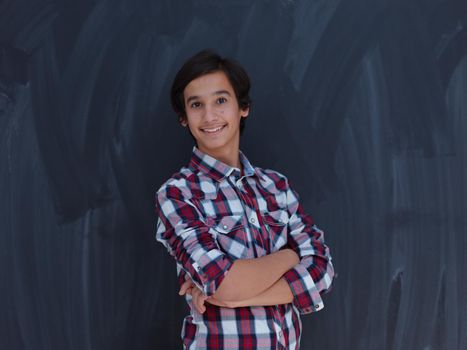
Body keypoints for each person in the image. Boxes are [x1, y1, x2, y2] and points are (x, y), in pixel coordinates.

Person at [155, 49, 335, 349]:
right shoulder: (177, 193)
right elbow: (225, 284)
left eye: (221, 100)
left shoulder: (276, 187)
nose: (210, 116)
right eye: (196, 105)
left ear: (243, 107)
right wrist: (291, 257)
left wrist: (239, 297)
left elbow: (322, 271)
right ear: (184, 118)